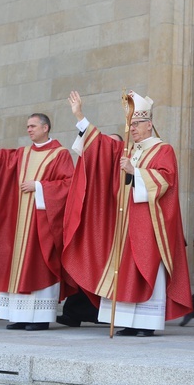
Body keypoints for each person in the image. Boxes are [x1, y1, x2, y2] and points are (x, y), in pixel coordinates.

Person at [62, 90, 193, 337]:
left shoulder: (163, 149)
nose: (131, 129)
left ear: (149, 124)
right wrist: (80, 116)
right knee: (122, 271)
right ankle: (128, 322)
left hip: (149, 224)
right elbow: (99, 146)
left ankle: (145, 323)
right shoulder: (126, 149)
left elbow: (166, 180)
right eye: (129, 124)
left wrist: (135, 172)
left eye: (136, 124)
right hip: (123, 225)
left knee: (144, 268)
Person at [0, 113, 74, 331]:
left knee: (39, 265)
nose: (29, 130)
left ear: (46, 128)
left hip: (42, 223)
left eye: (33, 126)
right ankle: (21, 316)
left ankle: (41, 318)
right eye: (27, 126)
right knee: (17, 264)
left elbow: (69, 183)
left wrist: (40, 187)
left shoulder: (59, 154)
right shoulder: (22, 154)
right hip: (19, 223)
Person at [56, 133, 123, 328]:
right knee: (83, 263)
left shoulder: (123, 164)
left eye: (111, 144)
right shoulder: (96, 165)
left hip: (113, 227)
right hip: (92, 226)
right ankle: (73, 313)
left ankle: (101, 314)